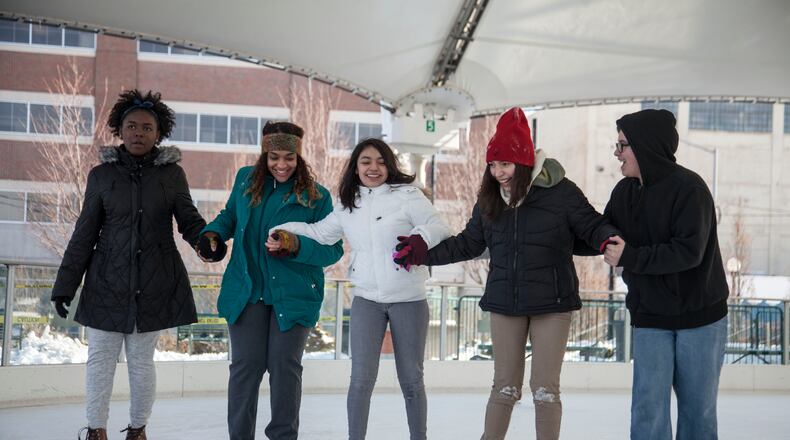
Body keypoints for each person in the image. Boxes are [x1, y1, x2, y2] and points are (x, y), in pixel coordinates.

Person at [396, 107, 617, 440]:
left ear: (525, 162)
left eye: (505, 164)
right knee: (505, 387)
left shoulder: (561, 192)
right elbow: (467, 244)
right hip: (504, 302)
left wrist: (607, 239)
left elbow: (591, 224)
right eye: (493, 164)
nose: (498, 172)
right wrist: (424, 254)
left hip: (552, 303)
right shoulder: (489, 200)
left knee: (544, 388)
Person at [268, 138, 450, 440]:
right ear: (356, 166)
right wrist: (281, 230)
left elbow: (439, 226)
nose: (373, 168)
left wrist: (420, 238)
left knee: (412, 379)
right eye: (366, 161)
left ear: (389, 164)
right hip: (367, 299)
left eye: (380, 161)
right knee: (361, 380)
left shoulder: (408, 195)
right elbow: (320, 233)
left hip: (409, 299)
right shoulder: (347, 204)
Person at [50, 90, 206, 440]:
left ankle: (138, 429)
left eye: (146, 127)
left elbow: (189, 220)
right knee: (100, 363)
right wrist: (65, 285)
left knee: (140, 363)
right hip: (106, 282)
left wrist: (206, 242)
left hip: (153, 283)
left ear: (158, 133)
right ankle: (96, 429)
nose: (138, 132)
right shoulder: (102, 175)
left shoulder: (171, 175)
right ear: (119, 130)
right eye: (131, 126)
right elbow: (83, 233)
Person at [197, 121, 343, 440]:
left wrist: (296, 246)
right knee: (245, 368)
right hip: (247, 292)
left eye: (288, 157)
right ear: (264, 154)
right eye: (274, 156)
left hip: (293, 295)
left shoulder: (316, 197)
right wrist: (213, 235)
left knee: (284, 369)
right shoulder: (246, 181)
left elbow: (333, 249)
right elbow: (230, 217)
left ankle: (283, 436)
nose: (281, 165)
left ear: (298, 157)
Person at [601, 109, 729, 440]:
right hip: (651, 316)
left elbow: (688, 252)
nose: (616, 153)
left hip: (700, 317)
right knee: (647, 409)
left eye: (622, 145)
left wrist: (630, 256)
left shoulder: (690, 189)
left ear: (645, 146)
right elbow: (604, 229)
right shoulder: (624, 192)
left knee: (697, 413)